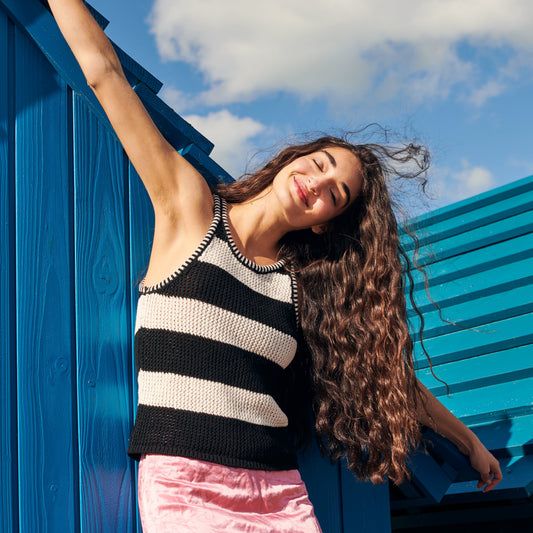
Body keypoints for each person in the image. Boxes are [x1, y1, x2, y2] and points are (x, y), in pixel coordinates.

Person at [48, 1, 503, 531]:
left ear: (324, 223)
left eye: (336, 194)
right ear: (295, 156)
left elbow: (388, 377)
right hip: (186, 484)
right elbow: (105, 75)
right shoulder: (191, 210)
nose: (319, 182)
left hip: (279, 494)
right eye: (321, 163)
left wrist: (468, 440)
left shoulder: (297, 288)